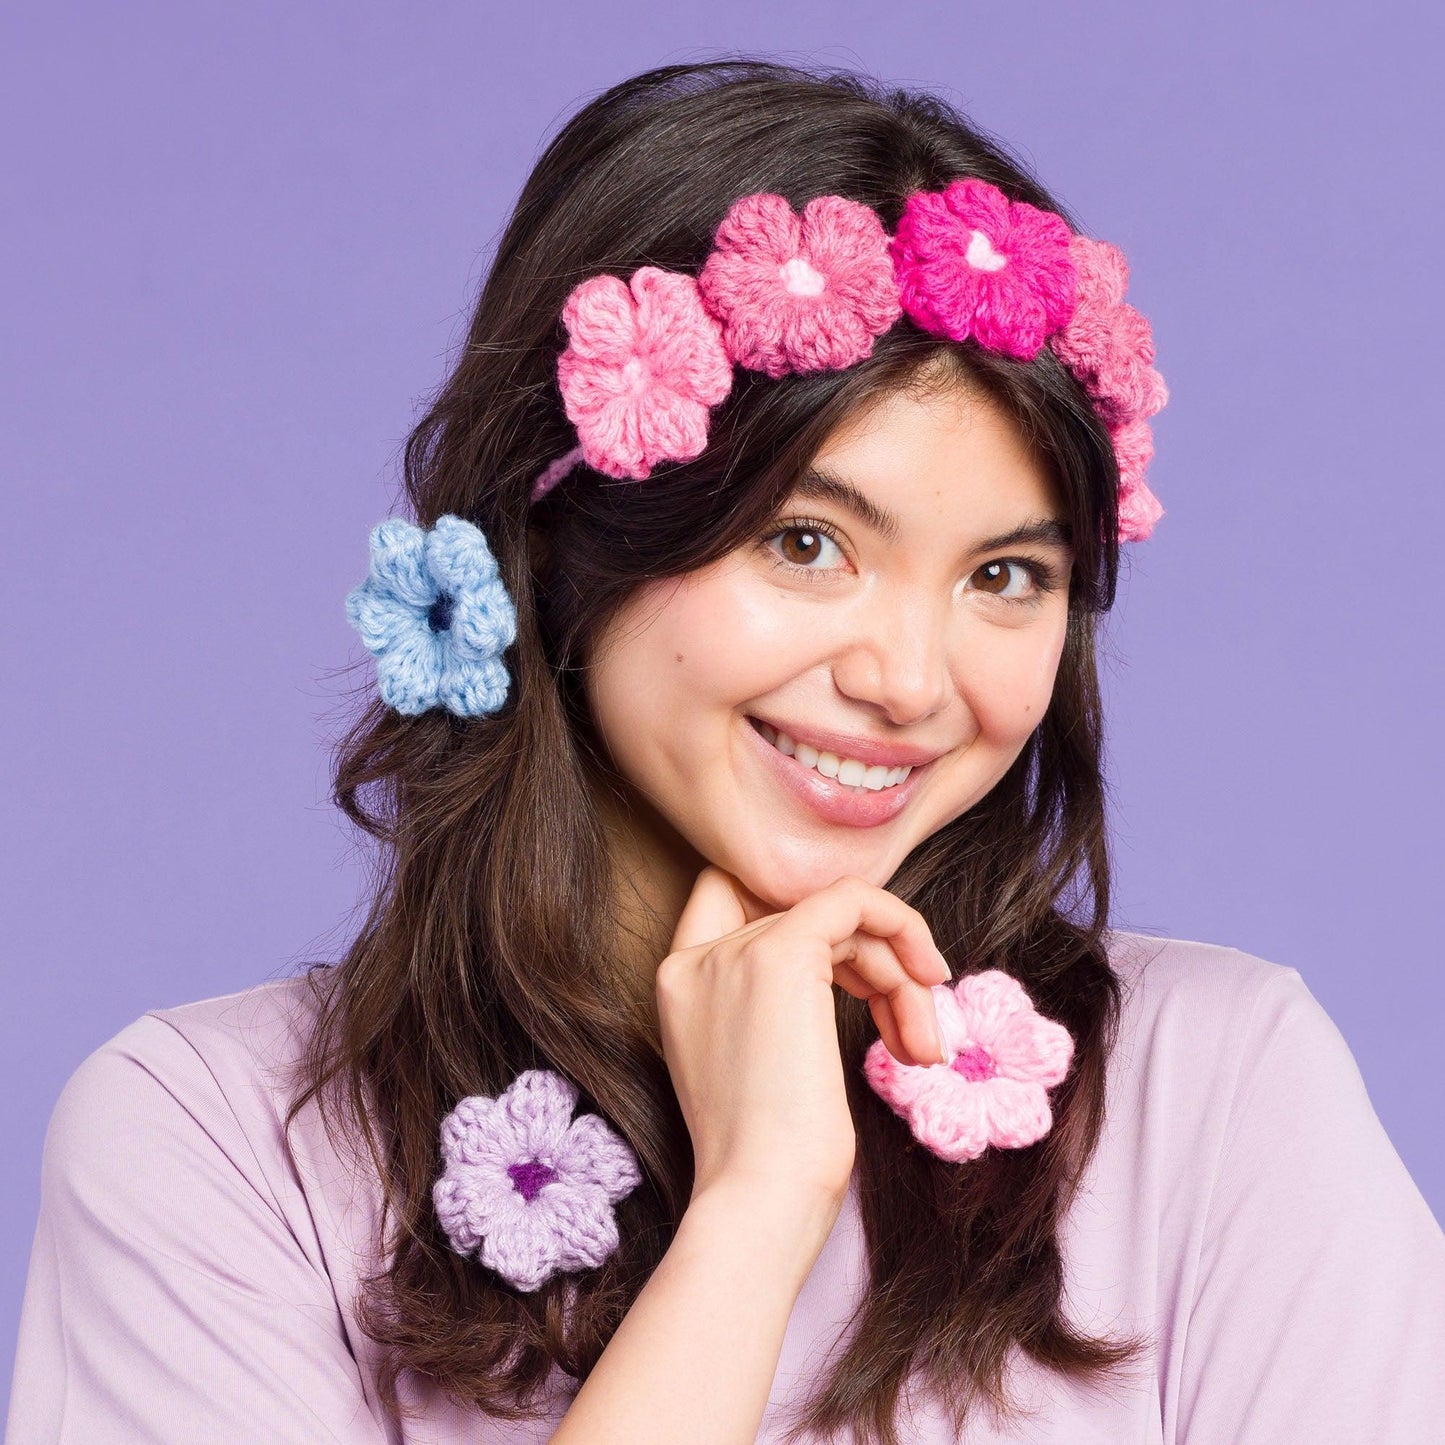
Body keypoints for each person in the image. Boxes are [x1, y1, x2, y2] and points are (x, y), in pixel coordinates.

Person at [7, 57, 1444, 1445]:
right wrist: (756, 1207)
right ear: (560, 549)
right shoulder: (214, 1146)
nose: (908, 681)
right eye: (806, 543)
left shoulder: (1216, 1094)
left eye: (1005, 574)